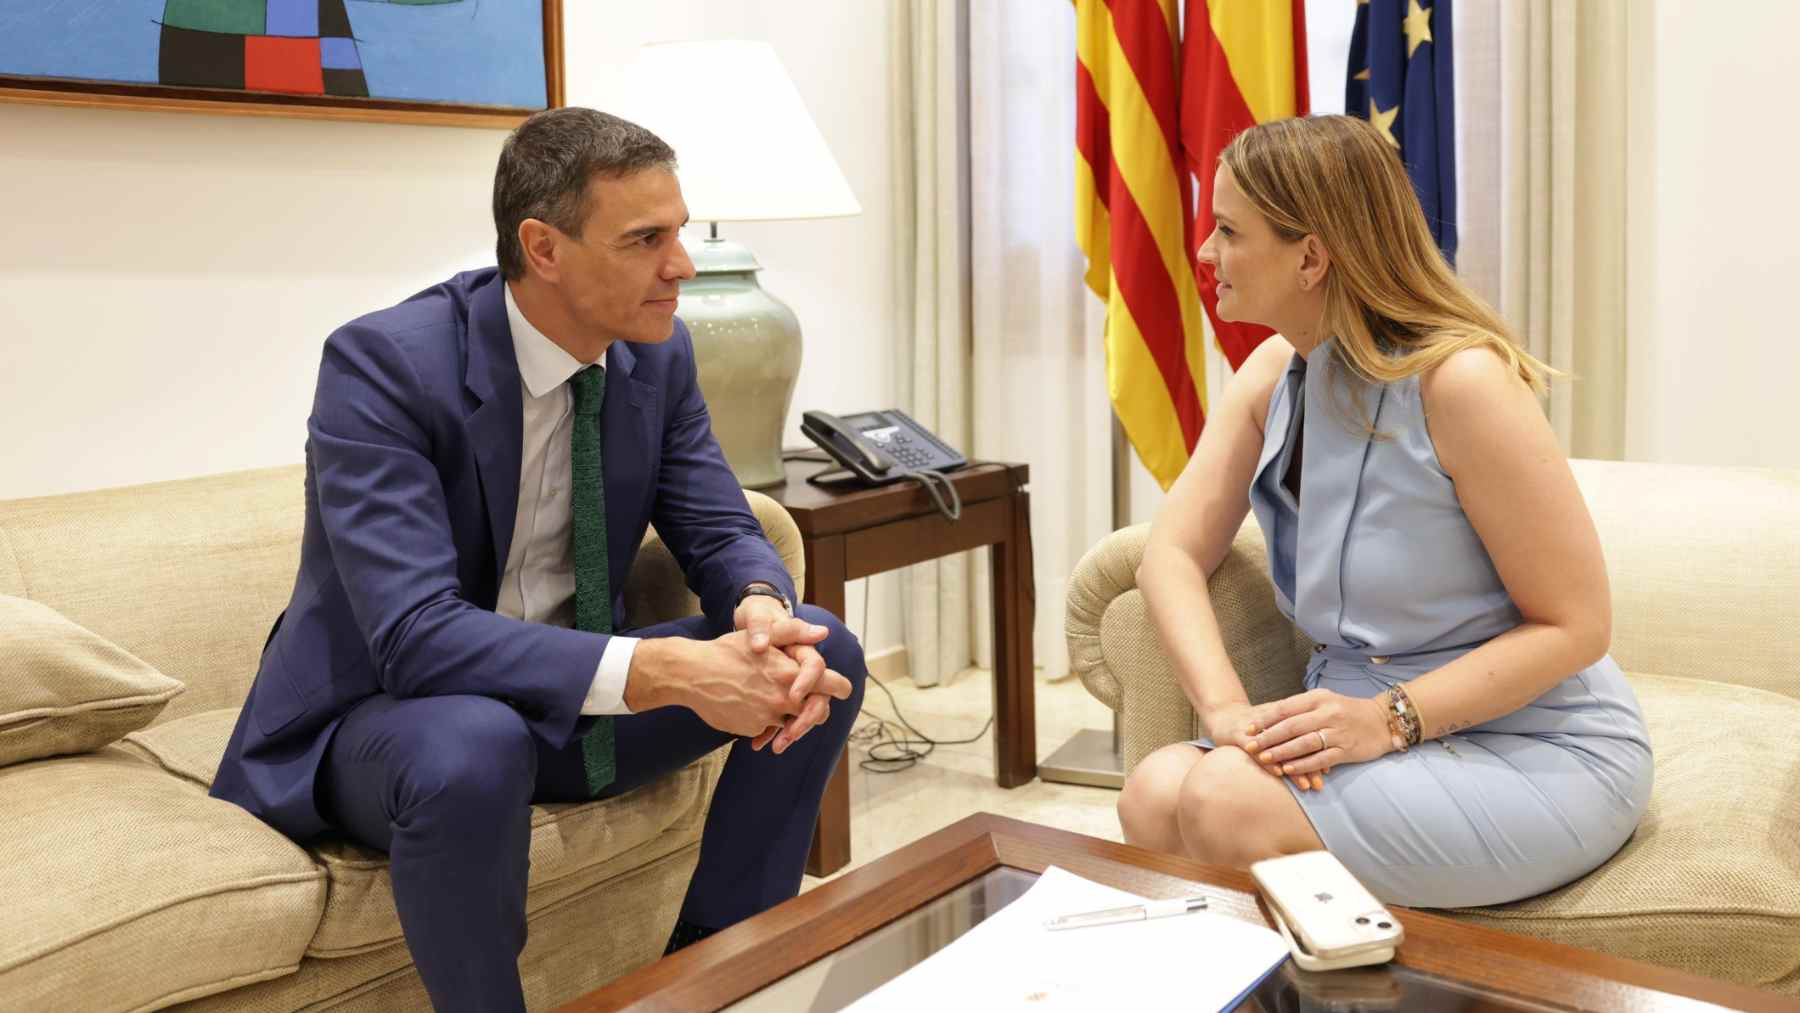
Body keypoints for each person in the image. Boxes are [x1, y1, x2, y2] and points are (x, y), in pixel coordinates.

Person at [210, 107, 868, 1011]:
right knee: (477, 740)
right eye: (645, 239)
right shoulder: (386, 366)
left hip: (565, 703)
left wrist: (758, 606)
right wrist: (663, 667)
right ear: (543, 247)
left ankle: (718, 973)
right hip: (386, 719)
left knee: (817, 652)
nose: (681, 264)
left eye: (677, 232)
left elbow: (719, 529)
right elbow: (414, 636)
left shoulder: (658, 352)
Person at [1116, 114, 1651, 908]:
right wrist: (1227, 709)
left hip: (1531, 743)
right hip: (1355, 724)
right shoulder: (1273, 371)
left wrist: (1389, 719)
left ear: (1311, 257)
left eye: (1228, 230)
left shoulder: (1460, 383)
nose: (1204, 252)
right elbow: (1171, 554)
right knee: (1154, 790)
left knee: (1221, 797)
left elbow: (1578, 625)